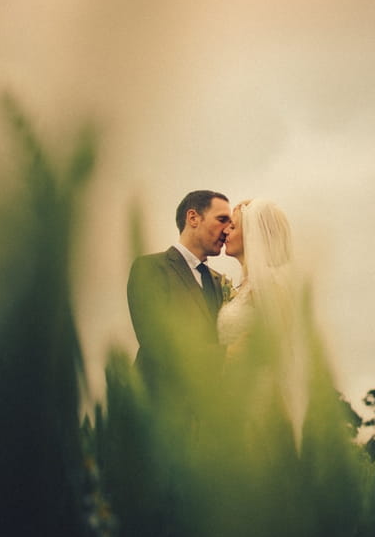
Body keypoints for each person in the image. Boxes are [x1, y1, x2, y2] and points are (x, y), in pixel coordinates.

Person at [127, 190, 231, 406]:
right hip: (159, 407)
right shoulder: (150, 268)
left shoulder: (220, 282)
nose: (228, 229)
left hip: (209, 414)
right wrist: (229, 354)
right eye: (222, 220)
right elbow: (156, 342)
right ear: (193, 218)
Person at [219, 198, 306, 451]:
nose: (225, 231)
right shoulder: (246, 287)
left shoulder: (272, 285)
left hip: (260, 402)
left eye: (233, 227)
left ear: (253, 236)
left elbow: (274, 345)